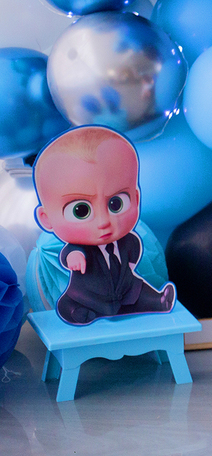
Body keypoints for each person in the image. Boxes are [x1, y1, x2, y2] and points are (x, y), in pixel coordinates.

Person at [32, 126, 175, 325]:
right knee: (73, 304)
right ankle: (74, 311)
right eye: (81, 210)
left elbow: (132, 257)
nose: (104, 222)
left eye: (116, 204)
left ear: (136, 198)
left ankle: (158, 301)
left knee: (140, 290)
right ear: (46, 218)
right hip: (89, 297)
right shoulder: (78, 249)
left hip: (125, 290)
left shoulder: (130, 241)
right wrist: (75, 257)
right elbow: (69, 255)